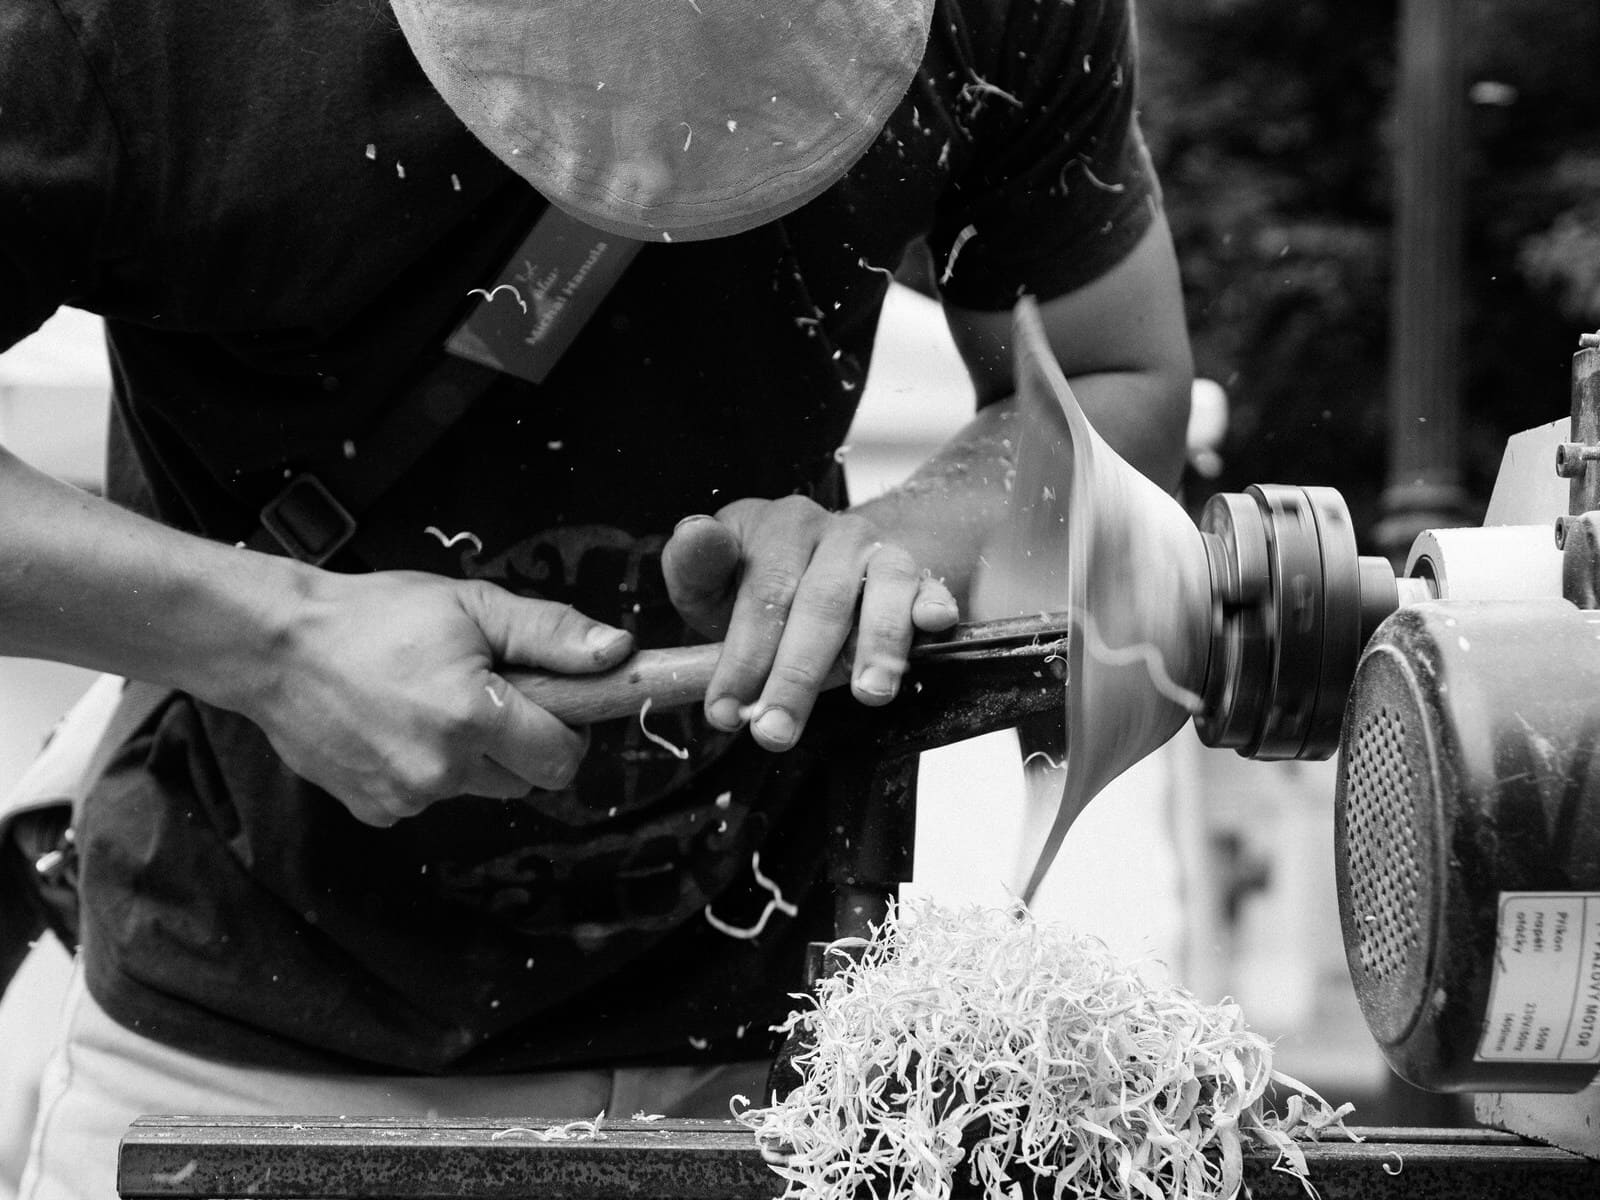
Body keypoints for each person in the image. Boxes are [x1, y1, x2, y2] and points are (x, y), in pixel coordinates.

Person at [0, 1, 1193, 1196]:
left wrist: (888, 550)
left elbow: (1110, 375)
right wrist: (272, 639)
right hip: (244, 1058)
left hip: (787, 1076)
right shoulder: (135, 30)